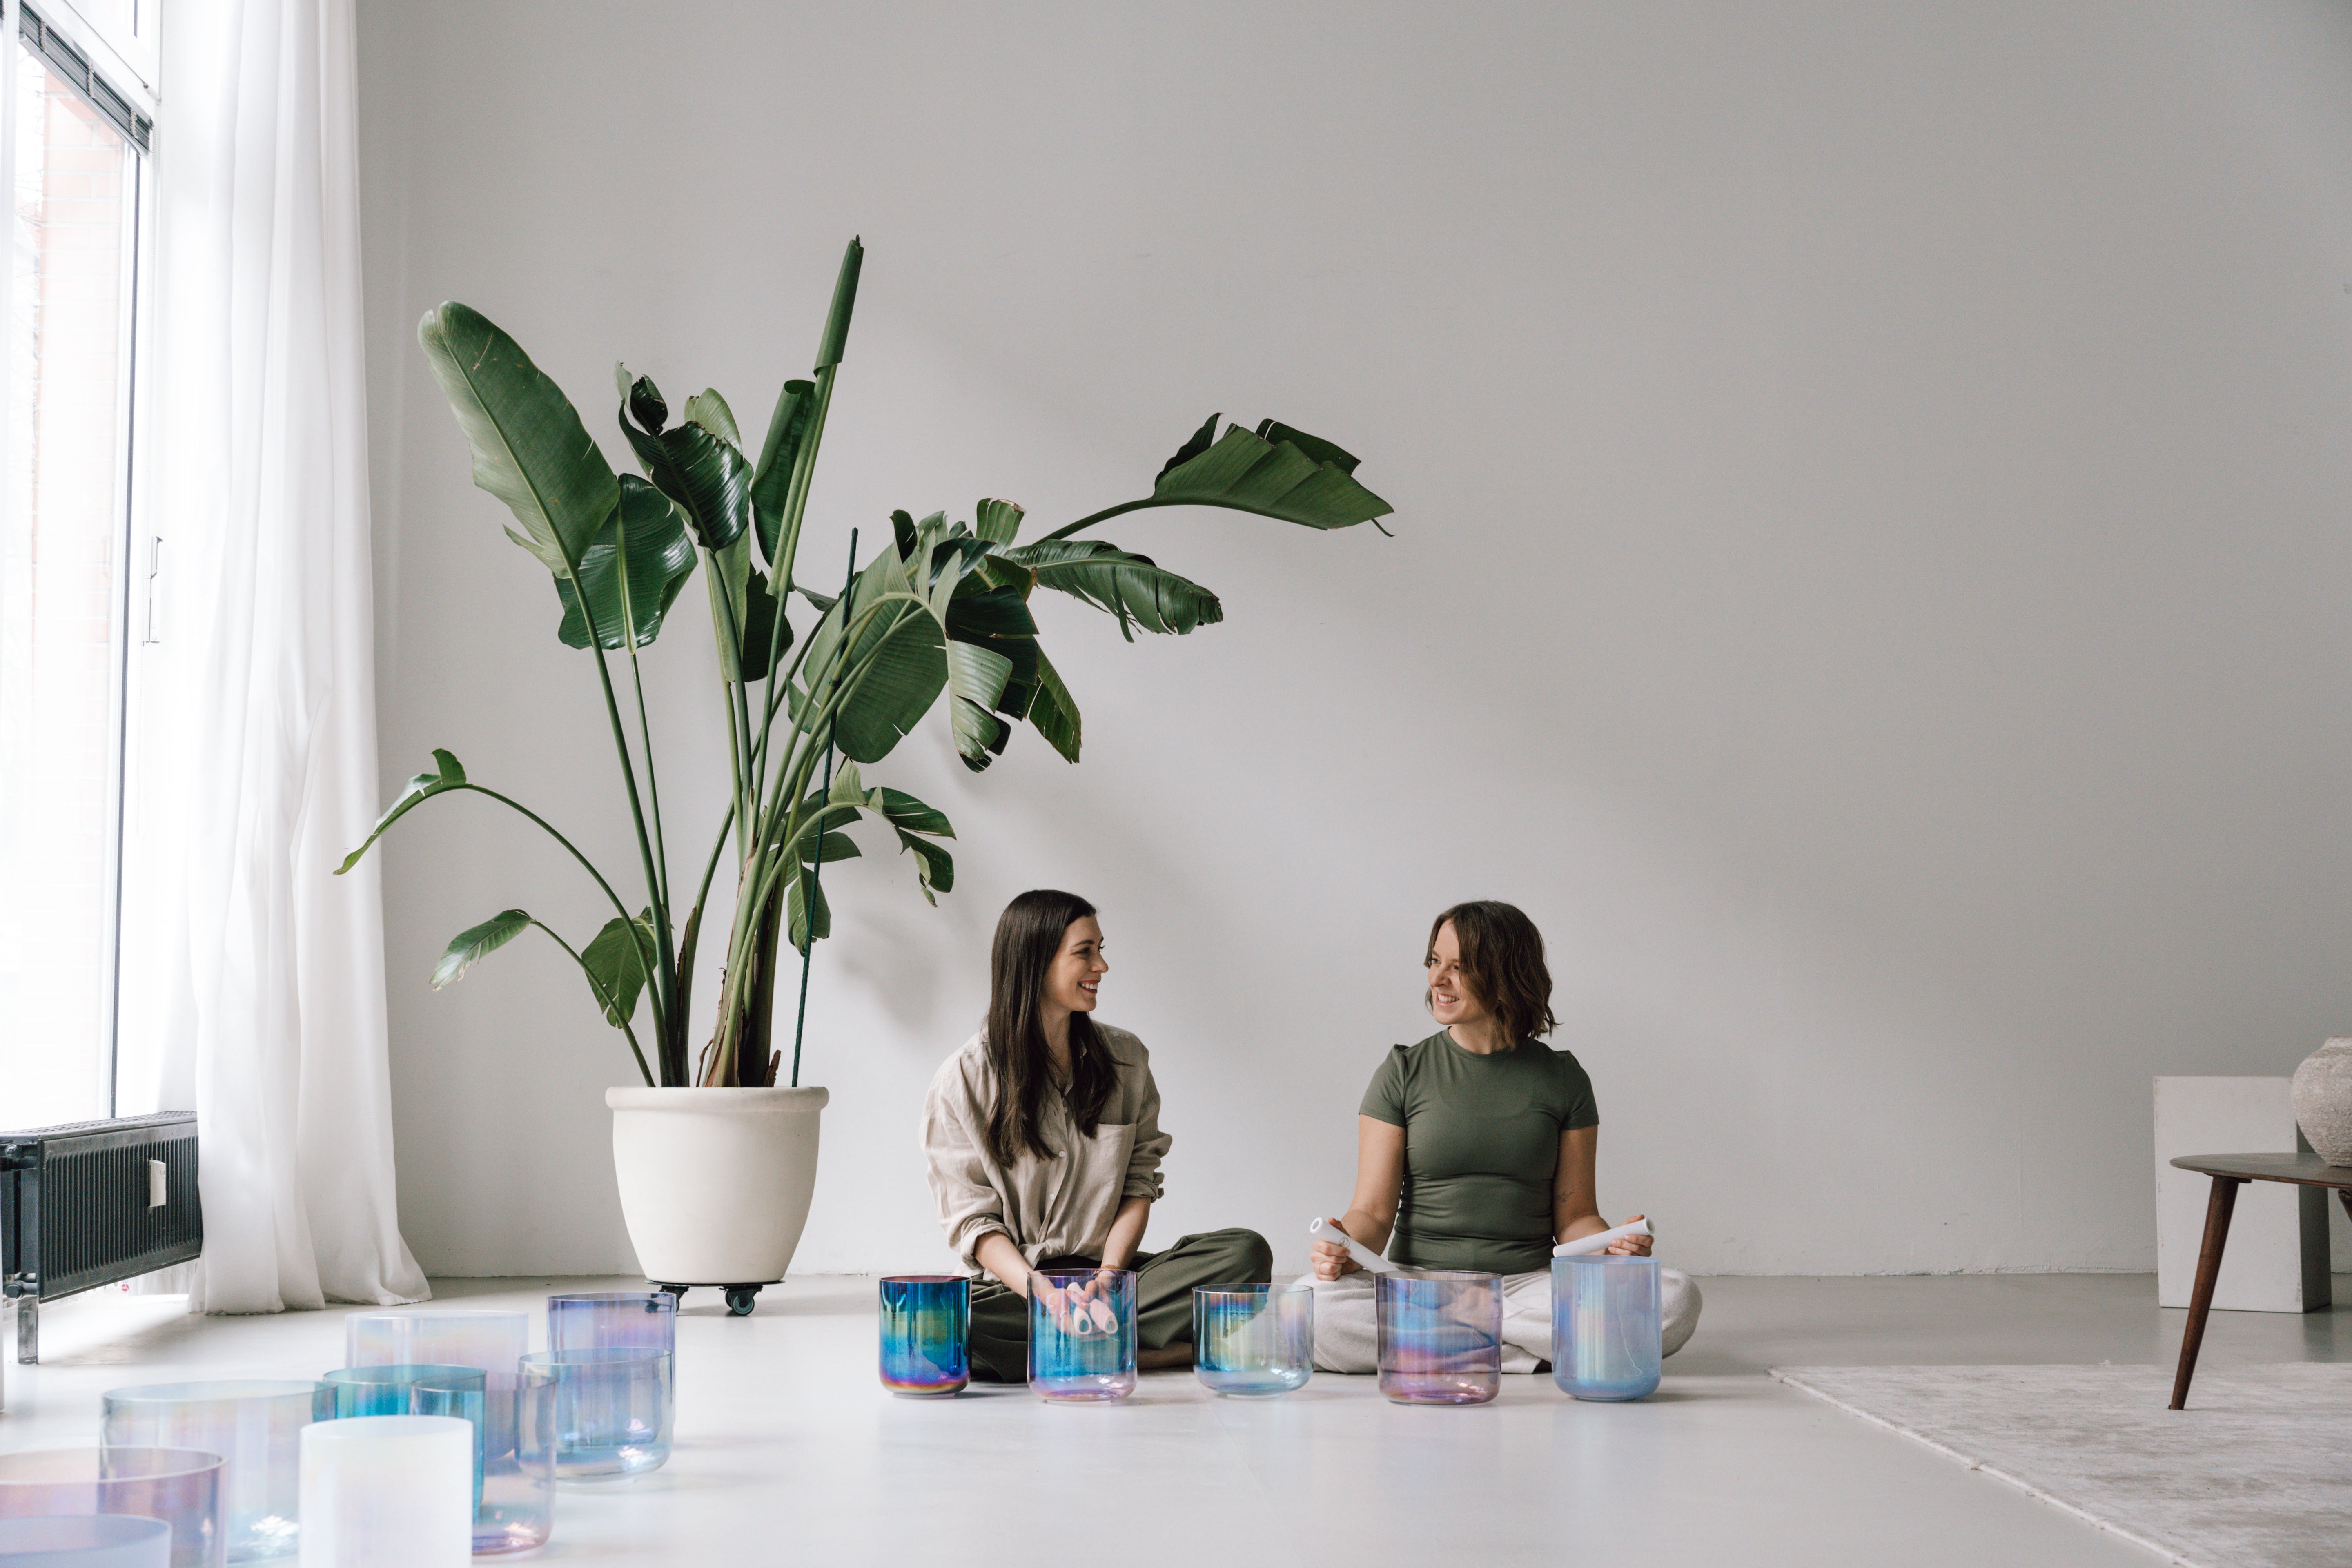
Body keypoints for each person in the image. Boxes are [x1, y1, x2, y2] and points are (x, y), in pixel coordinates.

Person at [1307, 900, 1701, 1372]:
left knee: (1676, 1298)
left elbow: (1576, 1217)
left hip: (1525, 1285)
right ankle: (1526, 1351)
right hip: (1418, 1284)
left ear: (1506, 974)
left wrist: (1612, 1247)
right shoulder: (1402, 1072)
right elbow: (1372, 1212)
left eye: (1460, 967)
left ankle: (1445, 1344)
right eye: (1435, 962)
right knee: (1317, 1312)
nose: (1437, 979)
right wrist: (1344, 1248)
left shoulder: (1563, 1077)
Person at [922, 888, 1273, 1381]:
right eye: (1085, 952)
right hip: (1022, 1288)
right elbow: (975, 1226)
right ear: (1036, 962)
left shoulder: (1127, 1060)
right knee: (935, 1324)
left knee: (1245, 1253)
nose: (1101, 966)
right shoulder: (963, 1080)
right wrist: (1045, 1294)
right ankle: (1149, 1352)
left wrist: (1109, 1279)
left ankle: (1067, 1350)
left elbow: (1138, 1185)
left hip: (1113, 1277)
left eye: (1101, 949)